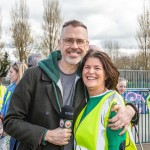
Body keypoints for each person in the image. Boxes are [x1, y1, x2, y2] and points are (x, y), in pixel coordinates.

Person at [3, 20, 138, 150]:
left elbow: (111, 100)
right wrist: (46, 135)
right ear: (59, 44)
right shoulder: (33, 75)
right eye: (68, 40)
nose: (74, 46)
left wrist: (130, 110)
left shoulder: (88, 78)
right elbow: (10, 121)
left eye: (79, 41)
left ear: (86, 45)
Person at [74, 49, 137, 150]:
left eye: (97, 68)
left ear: (106, 74)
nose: (91, 71)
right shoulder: (83, 100)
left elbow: (116, 145)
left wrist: (131, 110)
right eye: (87, 67)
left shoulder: (113, 102)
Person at [0, 62, 28, 150]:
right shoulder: (10, 88)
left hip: (14, 131)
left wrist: (7, 130)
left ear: (18, 72)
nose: (9, 74)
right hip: (6, 127)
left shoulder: (24, 90)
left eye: (11, 72)